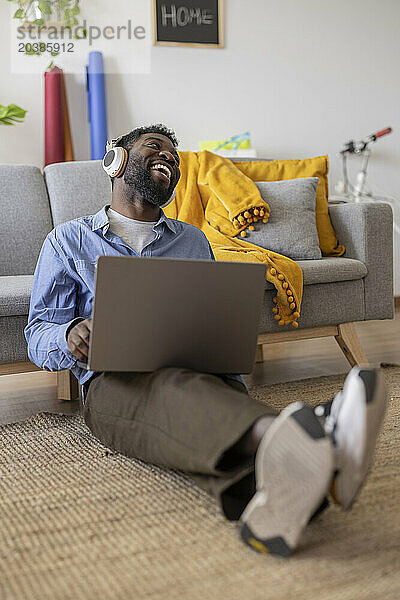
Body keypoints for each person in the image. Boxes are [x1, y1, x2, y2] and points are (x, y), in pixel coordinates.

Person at [25, 124, 388, 557]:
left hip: (200, 372)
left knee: (195, 392)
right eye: (154, 148)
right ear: (115, 161)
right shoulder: (68, 240)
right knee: (169, 390)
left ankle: (285, 493)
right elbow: (38, 332)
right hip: (113, 382)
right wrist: (69, 334)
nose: (168, 159)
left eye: (174, 158)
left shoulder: (193, 239)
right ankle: (310, 435)